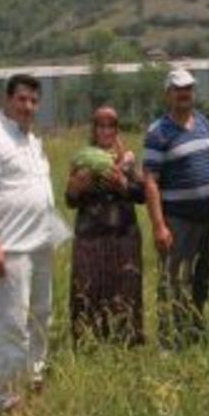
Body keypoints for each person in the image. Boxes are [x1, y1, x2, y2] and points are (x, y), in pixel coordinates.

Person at [0, 74, 61, 413]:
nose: (28, 107)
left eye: (34, 101)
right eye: (22, 99)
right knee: (12, 324)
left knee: (41, 316)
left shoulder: (31, 140)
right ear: (7, 99)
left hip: (41, 245)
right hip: (12, 249)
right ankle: (8, 399)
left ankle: (34, 379)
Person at [143, 69, 209, 349]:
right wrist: (159, 225)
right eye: (178, 89)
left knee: (201, 278)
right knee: (171, 281)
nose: (184, 93)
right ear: (168, 94)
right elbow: (150, 181)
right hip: (176, 219)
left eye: (188, 88)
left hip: (204, 217)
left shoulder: (204, 124)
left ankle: (196, 333)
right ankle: (168, 341)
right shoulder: (158, 131)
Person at [65, 106, 145, 347]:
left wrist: (124, 186)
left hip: (124, 236)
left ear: (117, 129)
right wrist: (75, 190)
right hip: (90, 237)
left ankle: (126, 341)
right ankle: (89, 342)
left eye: (111, 125)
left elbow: (142, 195)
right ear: (94, 129)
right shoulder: (83, 159)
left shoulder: (128, 159)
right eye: (101, 125)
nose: (106, 130)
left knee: (125, 288)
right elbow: (70, 200)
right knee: (88, 287)